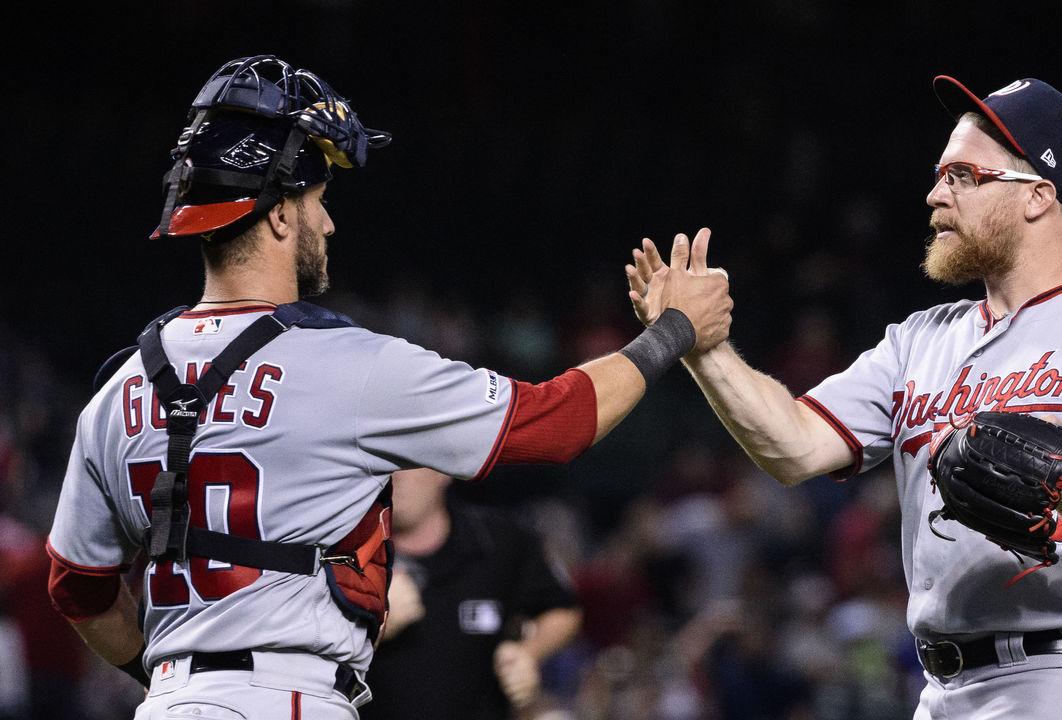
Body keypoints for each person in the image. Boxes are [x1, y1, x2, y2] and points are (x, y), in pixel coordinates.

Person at [44, 54, 731, 719]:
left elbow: (78, 590)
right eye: (317, 200)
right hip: (290, 699)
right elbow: (554, 423)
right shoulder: (349, 366)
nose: (328, 221)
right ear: (280, 213)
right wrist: (674, 329)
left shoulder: (117, 390)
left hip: (167, 702)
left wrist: (182, 687)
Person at [625, 76, 1062, 718]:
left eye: (963, 175)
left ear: (1038, 196)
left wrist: (1060, 479)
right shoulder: (917, 342)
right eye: (940, 174)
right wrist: (698, 344)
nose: (936, 194)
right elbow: (791, 446)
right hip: (937, 690)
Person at [361, 468, 582, 720]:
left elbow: (563, 608)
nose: (395, 475)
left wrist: (529, 652)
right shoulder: (345, 550)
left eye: (409, 462)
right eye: (384, 461)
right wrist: (374, 625)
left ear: (443, 470)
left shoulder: (497, 540)